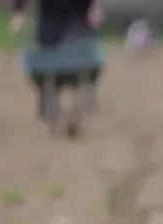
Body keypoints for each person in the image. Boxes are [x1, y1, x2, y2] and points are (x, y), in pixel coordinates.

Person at [10, 0, 104, 132]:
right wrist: (18, 12)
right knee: (49, 68)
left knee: (80, 64)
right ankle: (52, 108)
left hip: (78, 26)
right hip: (49, 28)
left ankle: (76, 112)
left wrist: (95, 7)